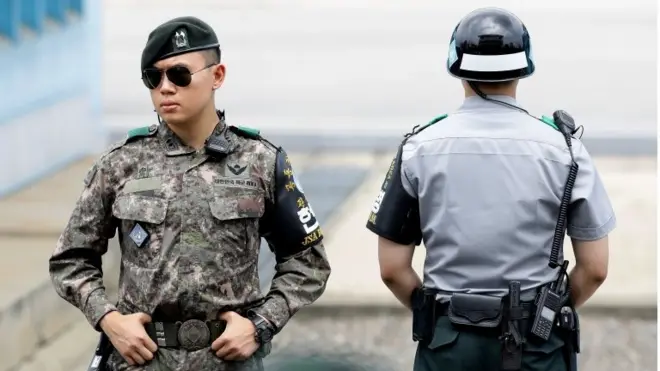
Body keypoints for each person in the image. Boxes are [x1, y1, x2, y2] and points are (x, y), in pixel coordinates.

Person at [49, 16, 331, 371]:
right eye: (154, 77)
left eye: (180, 74)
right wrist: (109, 319)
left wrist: (259, 325)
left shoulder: (262, 161)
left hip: (228, 362)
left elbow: (308, 262)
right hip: (141, 361)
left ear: (217, 76)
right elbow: (70, 260)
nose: (166, 87)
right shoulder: (121, 165)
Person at [365, 7, 614, 371]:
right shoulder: (565, 150)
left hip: (449, 344)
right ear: (523, 66)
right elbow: (595, 269)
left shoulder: (419, 147)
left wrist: (438, 317)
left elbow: (392, 269)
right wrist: (546, 312)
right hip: (538, 347)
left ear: (456, 64)